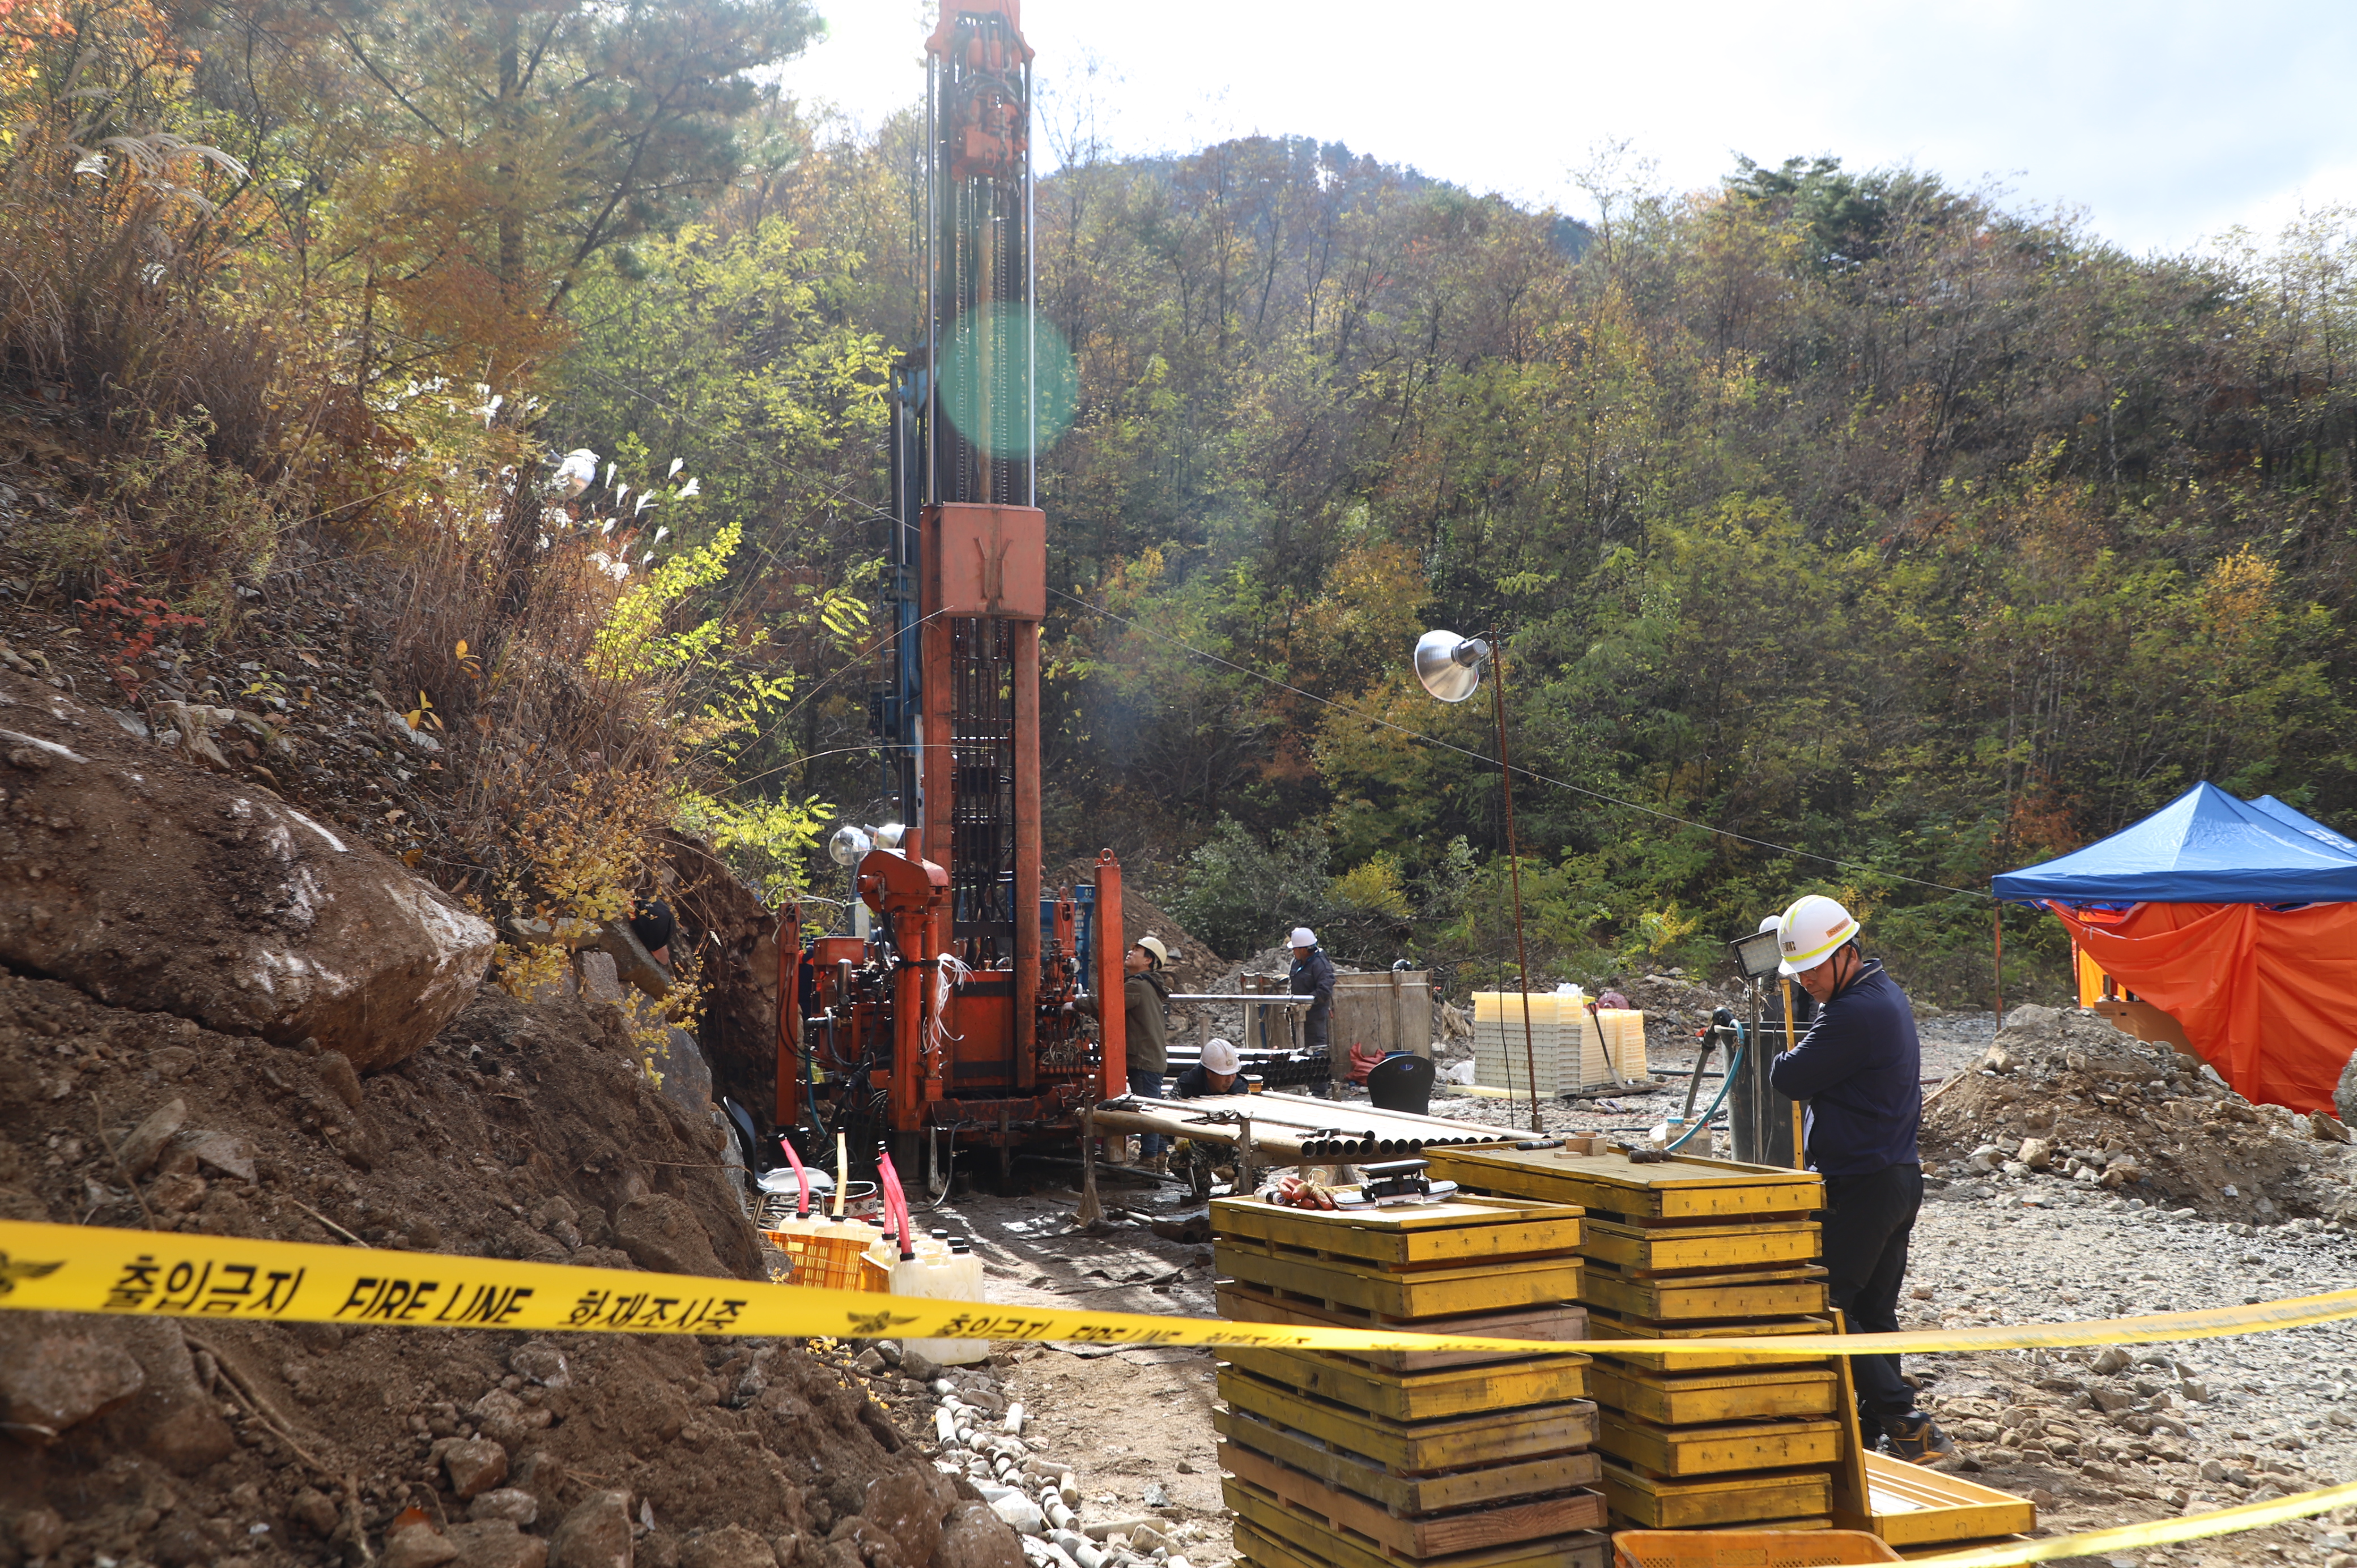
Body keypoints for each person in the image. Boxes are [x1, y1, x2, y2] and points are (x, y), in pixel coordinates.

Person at [1766, 894, 1954, 1464]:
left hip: (1862, 1183)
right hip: (1894, 1176)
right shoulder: (1880, 992)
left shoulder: (1853, 1012)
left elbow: (1789, 1076)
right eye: (1799, 973)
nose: (1806, 983)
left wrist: (1792, 1049)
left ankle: (1904, 1416)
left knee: (1828, 1301)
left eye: (1814, 969)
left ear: (1846, 952)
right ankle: (1882, 1428)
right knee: (1874, 1312)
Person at [1123, 935, 1173, 1173]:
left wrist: (1076, 1005)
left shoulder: (1137, 986)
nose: (1130, 953)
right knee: (1152, 1109)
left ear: (1148, 960)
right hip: (1152, 1059)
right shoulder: (1150, 985)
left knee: (1146, 1113)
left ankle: (1148, 1162)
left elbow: (1108, 1004)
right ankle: (1160, 1157)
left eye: (1137, 951)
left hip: (1143, 1060)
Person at [1287, 927, 1335, 1062]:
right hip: (1298, 1018)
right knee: (1300, 1054)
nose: (1293, 952)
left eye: (1295, 949)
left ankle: (1319, 1084)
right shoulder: (1296, 963)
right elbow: (1292, 983)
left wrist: (1307, 1002)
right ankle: (1303, 1083)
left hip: (1315, 1020)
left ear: (1304, 949)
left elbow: (1325, 990)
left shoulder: (1320, 964)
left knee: (1316, 1055)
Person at [1172, 1037, 1243, 1097]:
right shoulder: (1185, 1087)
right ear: (1209, 1073)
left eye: (1233, 1073)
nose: (1230, 1080)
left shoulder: (1241, 1091)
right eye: (1225, 1075)